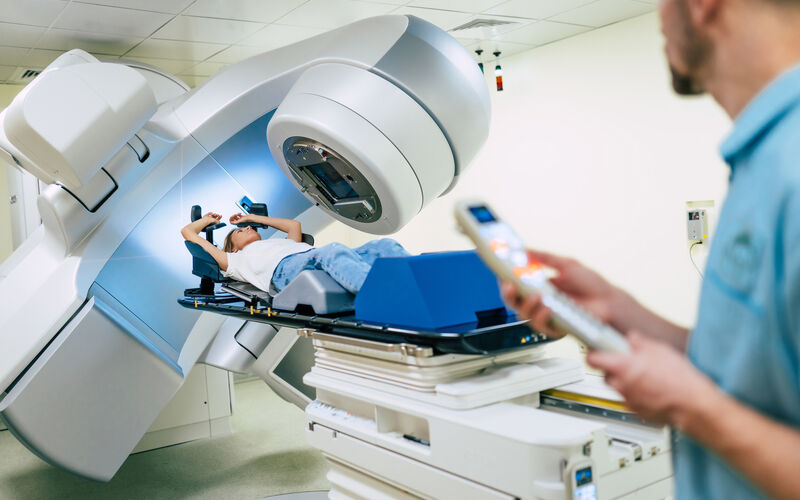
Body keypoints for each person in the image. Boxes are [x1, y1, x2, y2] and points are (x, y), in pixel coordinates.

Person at [503, 1, 800, 499]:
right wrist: (620, 311)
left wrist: (691, 407)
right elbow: (758, 374)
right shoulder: (762, 159)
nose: (661, 17)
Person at [181, 211, 408, 294]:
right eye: (241, 230)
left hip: (313, 257)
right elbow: (188, 232)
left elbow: (294, 225)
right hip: (285, 271)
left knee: (383, 246)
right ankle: (381, 296)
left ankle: (417, 282)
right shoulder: (234, 260)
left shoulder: (281, 243)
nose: (248, 227)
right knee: (332, 251)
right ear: (233, 247)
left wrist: (252, 217)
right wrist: (206, 220)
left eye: (248, 226)